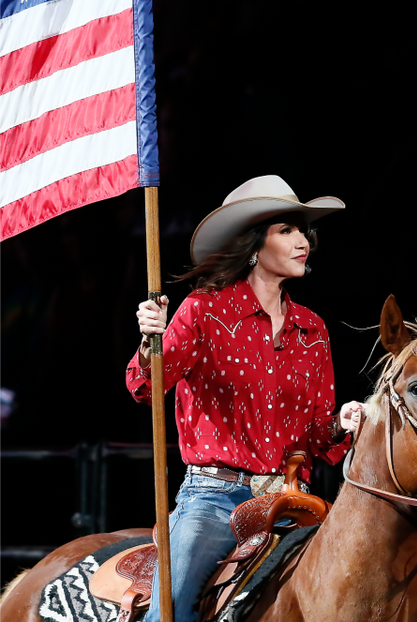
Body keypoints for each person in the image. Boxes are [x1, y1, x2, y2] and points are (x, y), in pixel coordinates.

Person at [126, 175, 365, 622]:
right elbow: (146, 388)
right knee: (171, 609)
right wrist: (149, 341)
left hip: (294, 500)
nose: (302, 242)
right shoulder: (203, 309)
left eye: (303, 232)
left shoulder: (312, 330)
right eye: (286, 231)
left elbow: (317, 435)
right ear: (254, 244)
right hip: (214, 498)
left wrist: (341, 423)